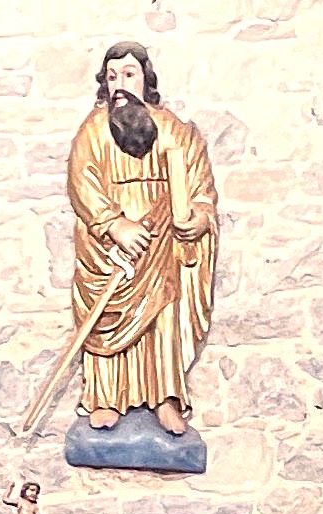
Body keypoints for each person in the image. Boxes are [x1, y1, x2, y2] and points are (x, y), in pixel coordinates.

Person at [62, 43, 220, 437]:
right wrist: (115, 224)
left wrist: (198, 218)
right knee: (105, 316)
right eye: (112, 76)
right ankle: (106, 397)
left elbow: (200, 187)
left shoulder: (175, 130)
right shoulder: (93, 131)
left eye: (129, 74)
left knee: (163, 312)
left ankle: (165, 397)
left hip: (161, 242)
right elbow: (83, 184)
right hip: (111, 248)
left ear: (146, 79)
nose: (119, 84)